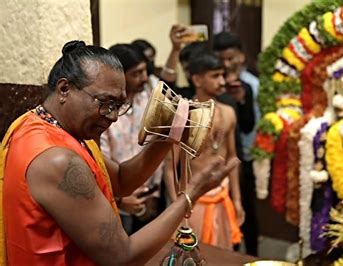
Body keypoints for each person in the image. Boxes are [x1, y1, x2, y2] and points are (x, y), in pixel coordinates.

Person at [0, 40, 239, 265]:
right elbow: (121, 256)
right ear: (65, 88)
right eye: (106, 103)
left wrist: (170, 134)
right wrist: (191, 193)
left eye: (119, 105)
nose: (113, 116)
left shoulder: (44, 126)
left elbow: (122, 181)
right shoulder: (57, 159)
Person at [164, 51, 245, 250]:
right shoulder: (184, 115)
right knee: (195, 255)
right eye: (215, 76)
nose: (222, 81)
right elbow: (168, 167)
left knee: (224, 256)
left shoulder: (228, 112)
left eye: (222, 75)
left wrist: (237, 200)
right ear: (197, 80)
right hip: (193, 201)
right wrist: (178, 208)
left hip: (222, 197)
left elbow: (232, 158)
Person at [101, 43, 165, 234]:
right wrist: (120, 199)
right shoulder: (104, 111)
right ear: (119, 76)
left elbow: (156, 144)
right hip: (115, 201)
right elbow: (100, 162)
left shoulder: (148, 102)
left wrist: (155, 193)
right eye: (136, 73)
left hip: (149, 195)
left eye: (145, 71)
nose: (144, 78)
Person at [214, 31, 260, 256]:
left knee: (248, 212)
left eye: (231, 58)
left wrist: (241, 100)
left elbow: (249, 125)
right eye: (221, 59)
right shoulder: (215, 84)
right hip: (220, 159)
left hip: (245, 157)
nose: (226, 64)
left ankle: (252, 256)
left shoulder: (251, 85)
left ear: (241, 56)